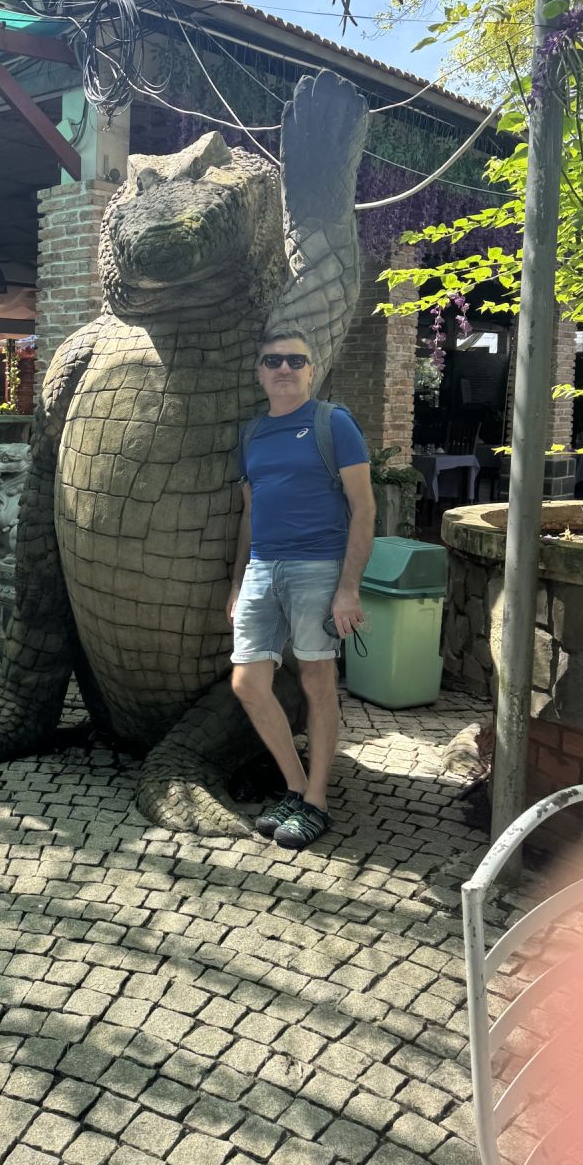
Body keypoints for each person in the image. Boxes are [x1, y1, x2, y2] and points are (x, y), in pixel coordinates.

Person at [228, 330, 376, 849]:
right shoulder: (251, 434)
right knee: (247, 682)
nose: (285, 368)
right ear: (260, 372)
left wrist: (348, 588)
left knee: (317, 681)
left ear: (312, 371)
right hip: (262, 569)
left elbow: (364, 508)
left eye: (296, 360)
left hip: (318, 567)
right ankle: (295, 788)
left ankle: (316, 800)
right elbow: (250, 513)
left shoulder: (333, 423)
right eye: (273, 361)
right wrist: (238, 581)